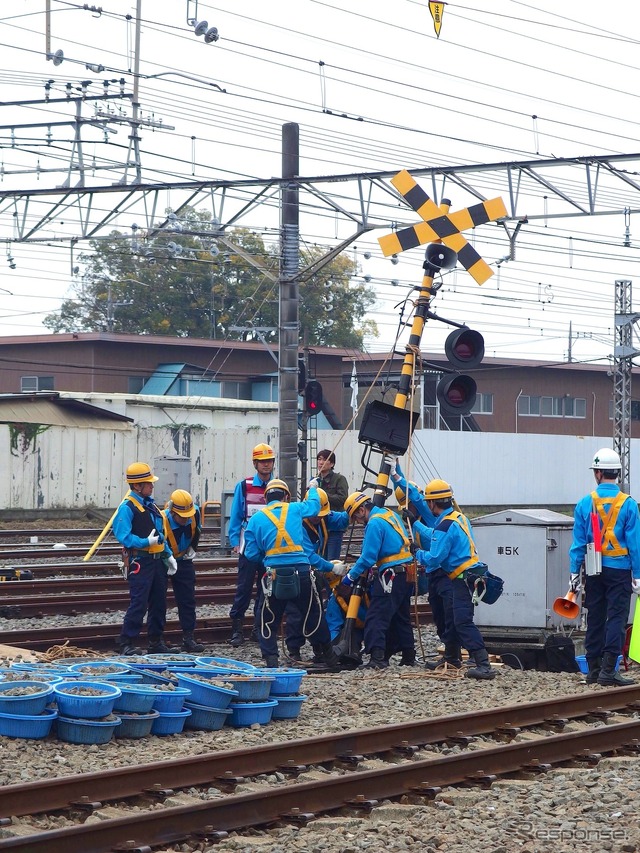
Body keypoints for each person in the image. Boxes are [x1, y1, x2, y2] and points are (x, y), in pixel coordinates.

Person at [242, 478, 340, 669]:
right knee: (314, 614)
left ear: (265, 498)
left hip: (274, 575)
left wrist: (268, 557)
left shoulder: (256, 519)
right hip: (302, 572)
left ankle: (271, 660)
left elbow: (251, 553)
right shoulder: (295, 509)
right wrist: (312, 488)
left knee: (268, 618)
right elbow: (313, 506)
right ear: (286, 496)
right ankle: (330, 658)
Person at [569, 447, 640, 687]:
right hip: (620, 570)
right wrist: (638, 574)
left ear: (598, 473)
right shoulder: (629, 505)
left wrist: (573, 572)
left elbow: (578, 543)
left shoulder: (584, 503)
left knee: (595, 617)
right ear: (617, 473)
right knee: (617, 619)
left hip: (593, 568)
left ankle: (593, 670)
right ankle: (609, 671)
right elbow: (635, 545)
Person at [414, 479, 496, 680]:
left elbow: (435, 557)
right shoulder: (458, 517)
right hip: (471, 576)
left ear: (432, 503)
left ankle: (484, 665)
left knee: (462, 622)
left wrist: (417, 553)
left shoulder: (444, 526)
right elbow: (435, 533)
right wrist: (416, 523)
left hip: (461, 579)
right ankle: (452, 657)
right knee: (457, 619)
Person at [340, 491, 416, 669]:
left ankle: (377, 658)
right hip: (406, 573)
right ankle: (408, 656)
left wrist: (349, 578)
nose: (358, 522)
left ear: (360, 511)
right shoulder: (390, 514)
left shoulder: (374, 523)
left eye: (356, 518)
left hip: (390, 575)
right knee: (401, 616)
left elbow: (368, 557)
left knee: (376, 616)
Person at [393, 476, 463, 670]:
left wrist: (396, 475)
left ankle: (455, 657)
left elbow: (434, 552)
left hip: (445, 572)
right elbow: (429, 534)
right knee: (440, 615)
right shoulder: (433, 518)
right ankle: (452, 656)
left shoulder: (438, 518)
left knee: (451, 616)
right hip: (434, 573)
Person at [113, 462, 178, 655]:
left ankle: (156, 641)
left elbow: (160, 534)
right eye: (148, 483)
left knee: (159, 602)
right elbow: (123, 536)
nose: (152, 486)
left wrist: (168, 555)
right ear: (137, 486)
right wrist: (144, 542)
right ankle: (126, 642)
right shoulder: (127, 508)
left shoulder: (152, 507)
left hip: (157, 561)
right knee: (139, 602)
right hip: (139, 562)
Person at [286, 486, 350, 661]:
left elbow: (342, 520)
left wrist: (355, 504)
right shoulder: (299, 524)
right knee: (296, 613)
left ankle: (319, 648)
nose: (318, 518)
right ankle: (294, 650)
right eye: (316, 514)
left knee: (315, 611)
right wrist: (331, 567)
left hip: (313, 575)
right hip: (299, 572)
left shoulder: (323, 518)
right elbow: (310, 556)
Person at [227, 442, 276, 647]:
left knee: (267, 590)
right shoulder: (244, 486)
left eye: (269, 461)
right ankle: (237, 630)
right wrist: (234, 542)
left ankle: (259, 628)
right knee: (244, 589)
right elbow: (236, 516)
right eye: (262, 462)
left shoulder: (278, 486)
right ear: (255, 464)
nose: (266, 465)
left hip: (271, 548)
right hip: (249, 546)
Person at [162, 488, 205, 653]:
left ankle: (188, 638)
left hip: (184, 560)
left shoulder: (193, 513)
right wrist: (167, 556)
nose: (186, 520)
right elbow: (159, 538)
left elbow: (197, 530)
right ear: (172, 511)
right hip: (164, 561)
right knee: (158, 601)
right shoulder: (162, 518)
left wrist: (193, 548)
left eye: (188, 516)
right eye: (182, 517)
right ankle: (157, 641)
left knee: (187, 600)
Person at [316, 450, 349, 560]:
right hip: (319, 526)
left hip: (334, 526)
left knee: (332, 561)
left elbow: (342, 499)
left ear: (332, 464)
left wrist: (322, 494)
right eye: (319, 459)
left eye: (325, 459)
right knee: (319, 560)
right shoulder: (315, 480)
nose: (321, 462)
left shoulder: (339, 479)